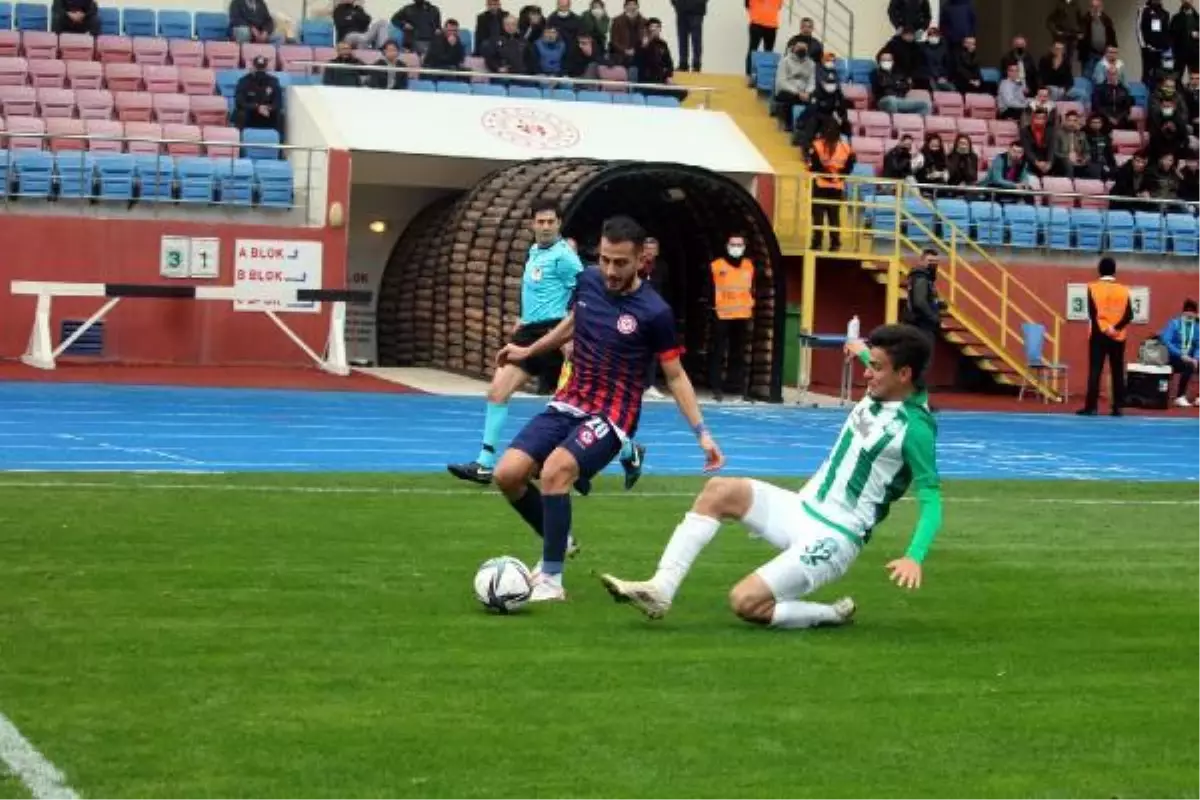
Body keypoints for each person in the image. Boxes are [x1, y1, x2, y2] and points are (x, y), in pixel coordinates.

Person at [601, 323, 941, 629]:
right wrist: (856, 346)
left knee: (746, 603)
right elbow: (869, 356)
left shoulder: (915, 430)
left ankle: (829, 614)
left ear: (904, 374)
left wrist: (914, 556)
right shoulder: (885, 385)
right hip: (802, 506)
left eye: (876, 368)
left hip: (836, 536)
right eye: (870, 364)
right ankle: (661, 589)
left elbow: (932, 500)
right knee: (720, 490)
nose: (867, 373)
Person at [493, 215, 724, 602]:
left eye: (620, 263)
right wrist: (528, 351)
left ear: (641, 260)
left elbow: (676, 375)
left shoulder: (654, 312)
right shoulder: (587, 281)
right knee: (507, 475)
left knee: (555, 471)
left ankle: (551, 580)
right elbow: (572, 323)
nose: (611, 271)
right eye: (604, 260)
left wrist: (703, 434)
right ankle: (559, 538)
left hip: (613, 415)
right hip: (570, 400)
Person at [448, 199, 582, 485]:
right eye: (540, 221)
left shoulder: (565, 256)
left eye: (551, 221)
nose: (545, 226)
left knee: (578, 405)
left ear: (559, 223)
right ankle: (485, 464)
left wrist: (569, 333)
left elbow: (584, 294)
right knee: (498, 391)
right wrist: (523, 317)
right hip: (529, 332)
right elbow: (538, 291)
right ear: (532, 224)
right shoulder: (534, 251)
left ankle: (626, 450)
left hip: (555, 333)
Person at [1078, 256, 1133, 416]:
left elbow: (1092, 313)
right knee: (1117, 370)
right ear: (1114, 271)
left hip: (1098, 335)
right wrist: (1115, 329)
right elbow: (1129, 315)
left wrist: (1105, 329)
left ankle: (1091, 407)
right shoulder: (1124, 290)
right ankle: (1118, 407)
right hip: (1118, 336)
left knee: (1095, 370)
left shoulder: (1092, 288)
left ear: (1099, 270)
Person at [708, 233, 756, 402]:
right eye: (733, 244)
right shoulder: (716, 266)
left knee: (740, 353)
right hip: (722, 314)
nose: (736, 248)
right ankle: (716, 387)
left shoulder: (749, 266)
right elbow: (710, 289)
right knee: (719, 352)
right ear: (727, 246)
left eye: (739, 245)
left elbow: (752, 288)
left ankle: (739, 388)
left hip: (742, 315)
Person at [1160, 298, 1198, 407]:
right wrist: (1181, 355)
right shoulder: (1174, 324)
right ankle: (1179, 397)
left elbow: (1199, 345)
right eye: (1187, 313)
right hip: (1173, 357)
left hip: (1190, 358)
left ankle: (1198, 398)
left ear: (1196, 315)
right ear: (1183, 313)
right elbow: (1166, 341)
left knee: (1194, 364)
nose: (1189, 316)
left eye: (1192, 314)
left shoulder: (1197, 327)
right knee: (1189, 366)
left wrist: (1197, 357)